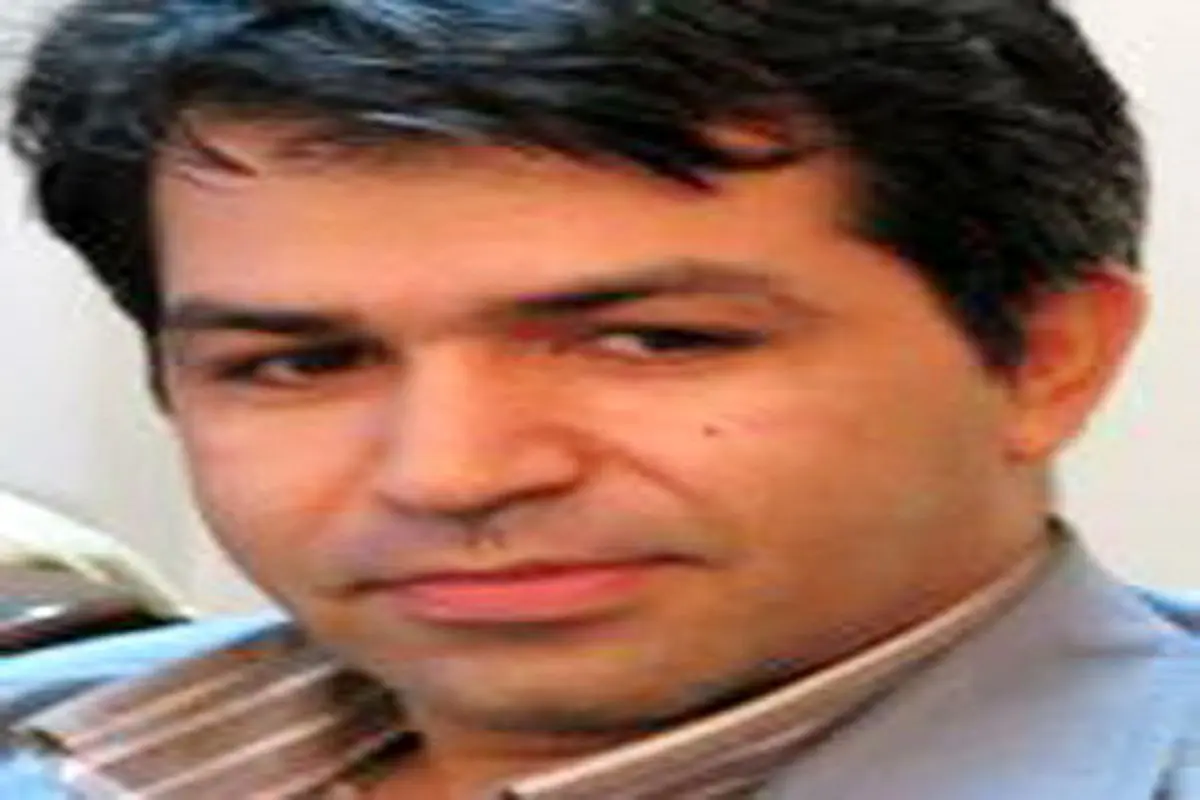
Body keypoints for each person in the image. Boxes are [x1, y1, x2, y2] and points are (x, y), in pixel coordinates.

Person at [0, 0, 1196, 797]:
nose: (450, 472)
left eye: (651, 340)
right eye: (302, 363)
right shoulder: (62, 730)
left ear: (1046, 356)